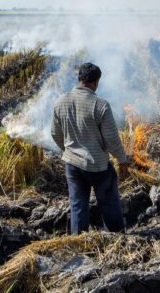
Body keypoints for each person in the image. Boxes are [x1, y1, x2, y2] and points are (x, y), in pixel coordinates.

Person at [51, 62, 131, 235]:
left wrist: (69, 150)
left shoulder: (60, 102)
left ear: (80, 79)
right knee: (109, 202)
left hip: (72, 165)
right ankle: (117, 237)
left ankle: (78, 243)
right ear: (96, 82)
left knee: (78, 205)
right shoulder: (100, 105)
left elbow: (55, 134)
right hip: (97, 165)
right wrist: (122, 160)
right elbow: (111, 139)